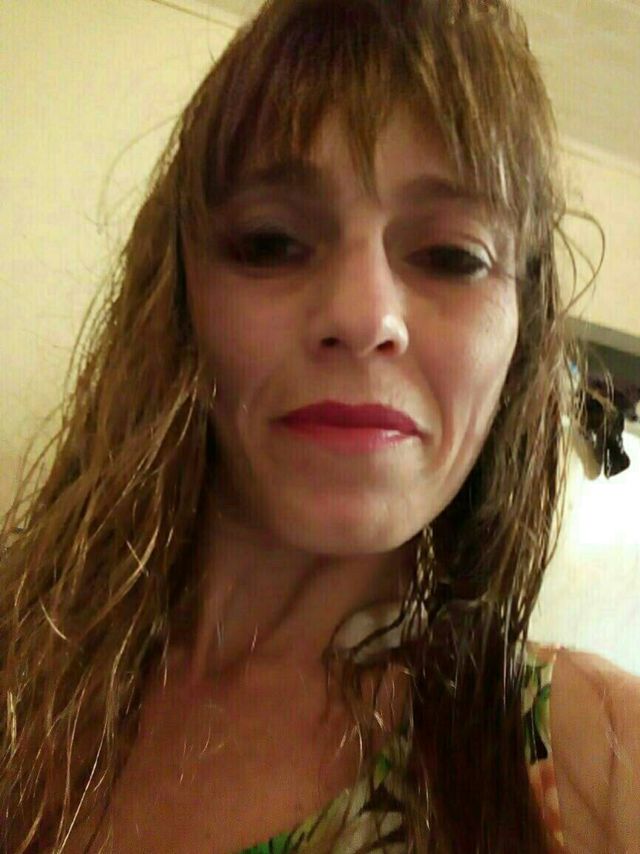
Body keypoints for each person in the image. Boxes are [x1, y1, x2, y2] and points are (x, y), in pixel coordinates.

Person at [1, 0, 639, 851]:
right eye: (271, 243)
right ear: (179, 299)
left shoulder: (599, 762)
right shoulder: (20, 665)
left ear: (521, 334)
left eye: (452, 256)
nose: (364, 314)